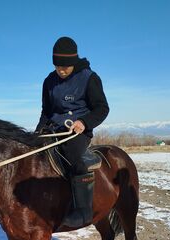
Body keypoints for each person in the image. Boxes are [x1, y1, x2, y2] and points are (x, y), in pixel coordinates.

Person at [35, 36, 109, 227]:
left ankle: (83, 211)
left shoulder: (89, 78)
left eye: (65, 67)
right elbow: (47, 111)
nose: (61, 70)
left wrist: (84, 122)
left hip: (77, 132)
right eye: (57, 66)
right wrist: (38, 132)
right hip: (53, 130)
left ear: (73, 62)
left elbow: (102, 108)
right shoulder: (49, 81)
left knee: (72, 156)